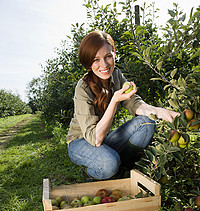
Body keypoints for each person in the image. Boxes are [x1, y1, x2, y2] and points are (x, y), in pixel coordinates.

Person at [66, 30, 179, 181]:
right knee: (109, 163)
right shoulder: (83, 88)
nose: (104, 65)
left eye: (108, 57)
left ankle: (121, 171)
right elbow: (95, 139)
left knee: (146, 123)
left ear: (114, 54)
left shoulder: (116, 76)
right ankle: (92, 174)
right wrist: (115, 100)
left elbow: (135, 104)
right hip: (81, 142)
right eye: (96, 60)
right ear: (88, 63)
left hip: (103, 137)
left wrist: (161, 112)